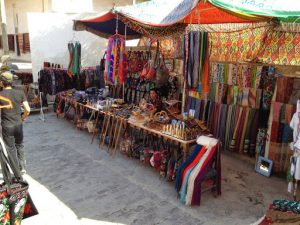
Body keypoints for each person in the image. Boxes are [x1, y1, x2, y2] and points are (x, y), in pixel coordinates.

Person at [0, 71, 30, 174]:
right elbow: (28, 109)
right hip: (18, 124)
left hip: (7, 126)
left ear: (2, 82)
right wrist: (23, 117)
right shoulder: (20, 92)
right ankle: (23, 167)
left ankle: (16, 172)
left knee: (10, 148)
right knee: (19, 145)